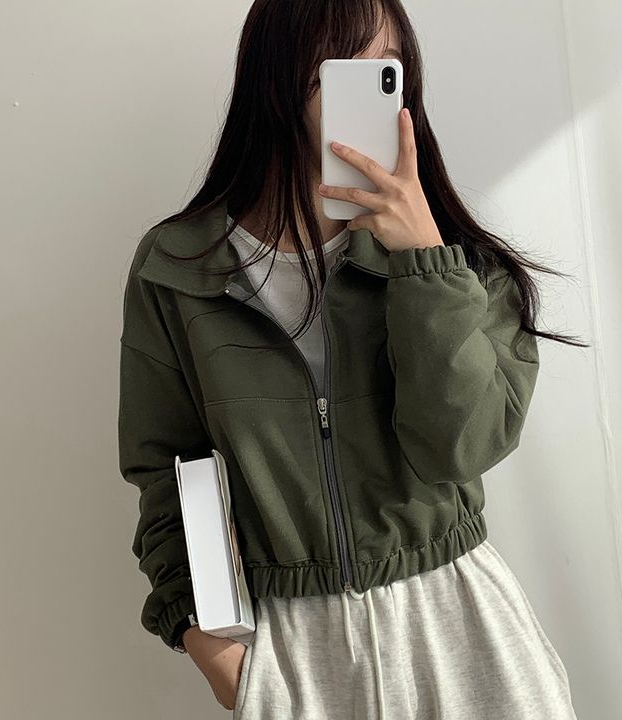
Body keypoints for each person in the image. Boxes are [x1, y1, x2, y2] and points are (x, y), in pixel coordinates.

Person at [118, 1, 585, 718]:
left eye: (383, 69)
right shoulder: (178, 269)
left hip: (457, 626)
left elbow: (462, 447)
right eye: (336, 66)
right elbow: (168, 474)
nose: (361, 87)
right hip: (291, 649)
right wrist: (207, 641)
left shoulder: (456, 263)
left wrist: (423, 263)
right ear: (276, 76)